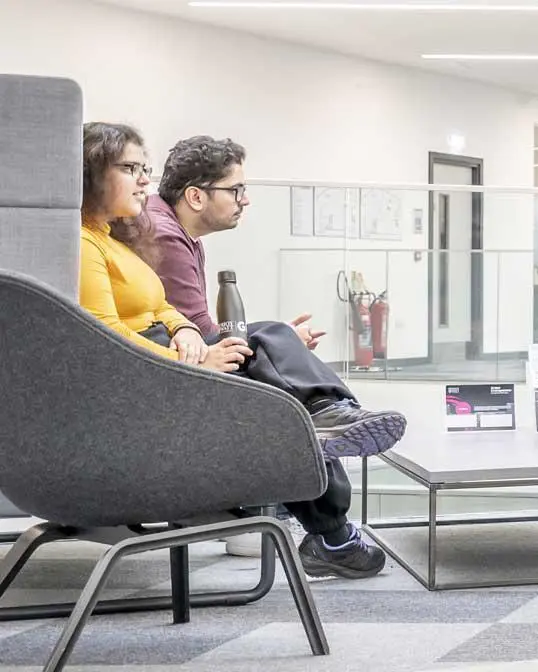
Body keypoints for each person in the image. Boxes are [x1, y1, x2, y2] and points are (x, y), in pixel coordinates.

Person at [77, 123, 388, 580]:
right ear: (91, 173)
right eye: (129, 168)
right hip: (149, 380)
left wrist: (183, 330)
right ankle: (331, 510)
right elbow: (104, 339)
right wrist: (199, 353)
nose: (144, 179)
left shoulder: (114, 236)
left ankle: (331, 501)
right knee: (273, 377)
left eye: (144, 168)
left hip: (165, 360)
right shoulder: (101, 241)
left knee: (274, 369)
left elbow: (162, 305)